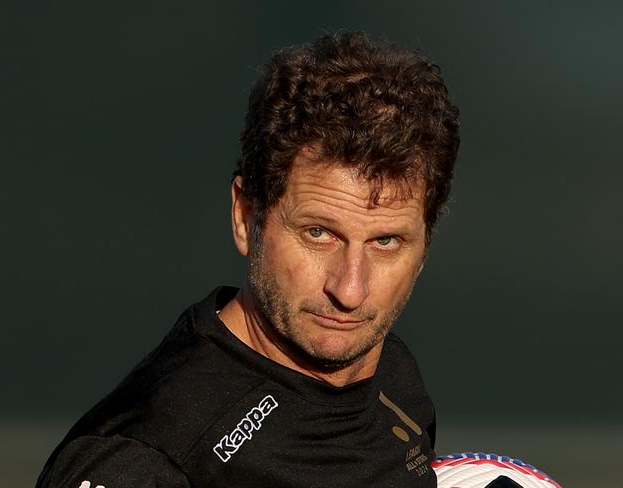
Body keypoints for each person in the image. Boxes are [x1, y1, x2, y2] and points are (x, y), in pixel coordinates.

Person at [36, 31, 460, 488]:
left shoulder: (394, 376)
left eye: (386, 242)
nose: (350, 291)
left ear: (425, 244)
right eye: (319, 234)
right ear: (245, 217)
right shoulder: (141, 461)